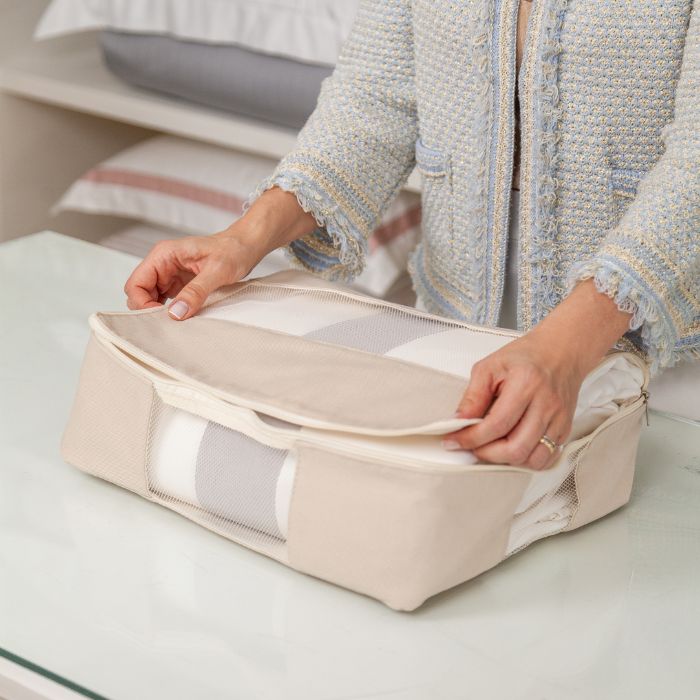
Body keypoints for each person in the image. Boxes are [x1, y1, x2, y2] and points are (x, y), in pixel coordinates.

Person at [123, 0, 700, 471]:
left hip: (659, 347)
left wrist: (564, 350)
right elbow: (375, 96)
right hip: (457, 332)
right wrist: (244, 238)